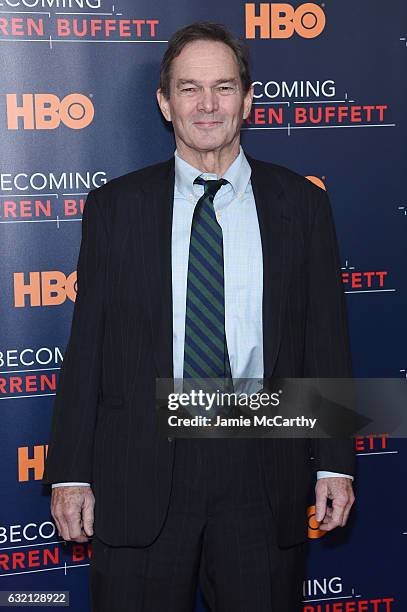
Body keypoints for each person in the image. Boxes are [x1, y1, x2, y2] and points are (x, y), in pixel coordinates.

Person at [42, 22, 356, 612]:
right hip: (139, 471)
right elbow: (87, 348)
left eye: (224, 87)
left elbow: (326, 339)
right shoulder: (116, 208)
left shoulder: (302, 204)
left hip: (262, 469)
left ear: (248, 98)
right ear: (165, 103)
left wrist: (336, 462)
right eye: (189, 88)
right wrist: (69, 473)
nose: (207, 105)